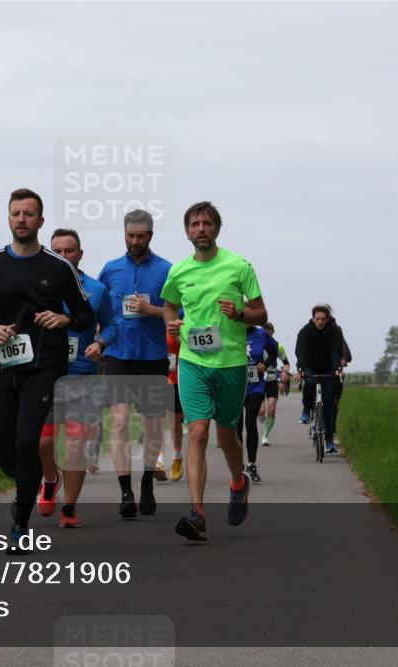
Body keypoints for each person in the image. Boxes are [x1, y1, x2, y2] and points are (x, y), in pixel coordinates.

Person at [0, 189, 94, 554]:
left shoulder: (58, 267)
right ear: (8, 219)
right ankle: (28, 481)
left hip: (44, 367)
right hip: (1, 366)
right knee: (7, 454)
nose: (22, 219)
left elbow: (87, 317)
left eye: (29, 214)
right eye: (16, 213)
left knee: (27, 440)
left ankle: (20, 523)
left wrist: (64, 317)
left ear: (40, 221)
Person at [162, 201, 267, 542]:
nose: (201, 229)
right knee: (198, 433)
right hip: (193, 361)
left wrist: (238, 314)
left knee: (225, 437)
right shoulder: (179, 271)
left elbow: (261, 314)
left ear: (217, 230)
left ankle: (239, 482)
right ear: (187, 231)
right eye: (195, 224)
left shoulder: (238, 266)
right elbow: (168, 306)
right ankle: (198, 513)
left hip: (231, 363)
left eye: (207, 223)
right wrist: (173, 324)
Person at [39, 228, 119, 528]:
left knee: (75, 445)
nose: (63, 256)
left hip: (82, 376)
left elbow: (111, 325)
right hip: (45, 375)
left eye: (68, 251)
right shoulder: (39, 285)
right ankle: (50, 478)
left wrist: (100, 343)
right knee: (43, 443)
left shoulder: (96, 290)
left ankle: (69, 507)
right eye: (56, 251)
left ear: (80, 254)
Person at [97, 210, 172, 519]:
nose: (135, 241)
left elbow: (174, 313)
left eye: (141, 236)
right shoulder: (110, 269)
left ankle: (147, 482)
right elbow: (100, 309)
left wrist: (150, 309)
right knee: (119, 421)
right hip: (117, 356)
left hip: (152, 356)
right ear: (124, 235)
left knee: (153, 425)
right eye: (130, 236)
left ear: (150, 236)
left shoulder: (167, 270)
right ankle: (126, 490)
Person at [295, 304, 345, 455]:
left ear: (328, 319)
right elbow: (301, 351)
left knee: (329, 403)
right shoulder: (305, 331)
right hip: (310, 365)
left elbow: (336, 351)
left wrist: (337, 368)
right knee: (309, 383)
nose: (320, 322)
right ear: (313, 318)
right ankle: (306, 409)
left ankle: (329, 441)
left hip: (329, 368)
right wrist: (301, 369)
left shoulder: (335, 331)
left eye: (323, 319)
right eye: (317, 319)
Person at [238, 325, 278, 483]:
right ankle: (237, 464)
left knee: (250, 422)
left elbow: (274, 351)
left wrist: (266, 364)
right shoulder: (230, 329)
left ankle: (251, 464)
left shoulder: (261, 333)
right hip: (235, 386)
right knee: (237, 426)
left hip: (256, 386)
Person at [259, 322, 291, 447]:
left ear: (273, 332)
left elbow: (286, 363)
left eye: (269, 330)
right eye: (264, 330)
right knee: (262, 411)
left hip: (272, 378)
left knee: (271, 409)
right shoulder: (257, 344)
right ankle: (260, 415)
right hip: (259, 379)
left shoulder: (278, 346)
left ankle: (265, 436)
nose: (267, 332)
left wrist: (284, 371)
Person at [166, 331, 185, 481]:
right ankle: (157, 462)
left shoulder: (178, 317)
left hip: (175, 380)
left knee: (174, 423)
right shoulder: (149, 318)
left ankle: (177, 456)